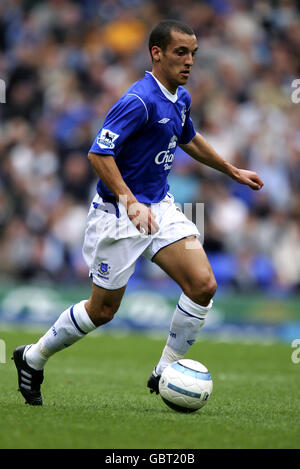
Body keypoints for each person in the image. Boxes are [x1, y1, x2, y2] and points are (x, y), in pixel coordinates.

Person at [13, 20, 263, 405]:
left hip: (160, 207)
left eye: (193, 53)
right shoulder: (138, 100)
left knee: (203, 285)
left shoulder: (180, 97)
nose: (189, 61)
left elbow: (188, 138)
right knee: (102, 311)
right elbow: (98, 153)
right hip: (117, 215)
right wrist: (130, 201)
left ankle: (166, 370)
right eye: (181, 52)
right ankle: (33, 357)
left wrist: (231, 170)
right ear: (156, 53)